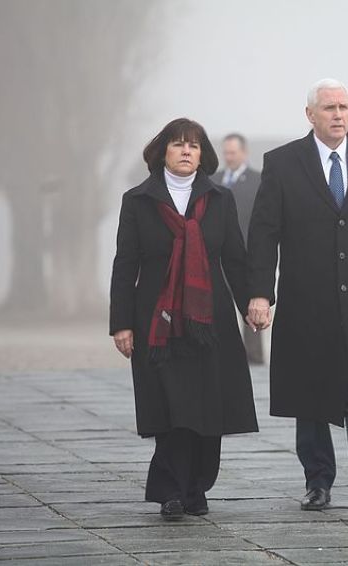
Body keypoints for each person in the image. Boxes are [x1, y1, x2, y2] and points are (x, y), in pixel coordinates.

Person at [247, 78, 348, 516]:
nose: (339, 114)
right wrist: (260, 293)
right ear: (310, 114)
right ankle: (317, 482)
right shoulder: (282, 164)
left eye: (344, 106)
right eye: (329, 107)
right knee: (312, 397)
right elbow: (263, 235)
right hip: (306, 304)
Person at [109, 118, 257, 520]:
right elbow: (125, 265)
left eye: (193, 145)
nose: (187, 151)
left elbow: (236, 260)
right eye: (178, 145)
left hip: (210, 322)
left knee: (208, 407)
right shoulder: (138, 201)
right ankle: (171, 491)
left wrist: (253, 304)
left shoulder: (220, 199)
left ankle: (198, 488)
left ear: (202, 154)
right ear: (163, 153)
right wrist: (121, 323)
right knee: (171, 406)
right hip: (157, 321)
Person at [211, 133, 265, 364]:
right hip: (216, 255)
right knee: (216, 306)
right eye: (226, 152)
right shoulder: (212, 179)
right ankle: (220, 356)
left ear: (244, 152)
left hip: (247, 255)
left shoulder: (259, 180)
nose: (229, 157)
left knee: (250, 307)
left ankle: (253, 357)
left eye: (233, 152)